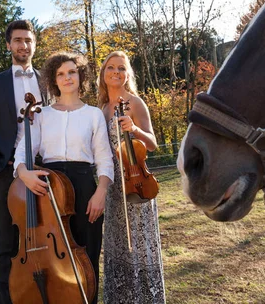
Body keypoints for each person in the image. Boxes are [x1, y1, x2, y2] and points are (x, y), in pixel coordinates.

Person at [14, 51, 114, 303]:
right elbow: (22, 153)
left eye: (71, 72)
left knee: (87, 258)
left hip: (84, 187)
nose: (67, 77)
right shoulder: (41, 115)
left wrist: (100, 193)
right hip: (50, 188)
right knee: (52, 259)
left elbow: (104, 159)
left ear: (80, 76)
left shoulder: (93, 114)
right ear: (53, 80)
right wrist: (24, 174)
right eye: (60, 74)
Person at [0, 19, 47, 304]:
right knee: (7, 244)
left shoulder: (47, 80)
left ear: (34, 44)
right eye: (18, 40)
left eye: (28, 40)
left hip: (46, 167)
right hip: (8, 171)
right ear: (8, 45)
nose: (23, 45)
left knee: (48, 234)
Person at [97, 51, 166, 304]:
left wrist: (134, 128)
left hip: (137, 183)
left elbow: (153, 144)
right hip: (114, 188)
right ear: (103, 74)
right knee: (118, 246)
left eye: (121, 68)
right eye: (110, 67)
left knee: (139, 246)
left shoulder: (135, 103)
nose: (116, 72)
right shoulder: (101, 109)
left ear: (128, 75)